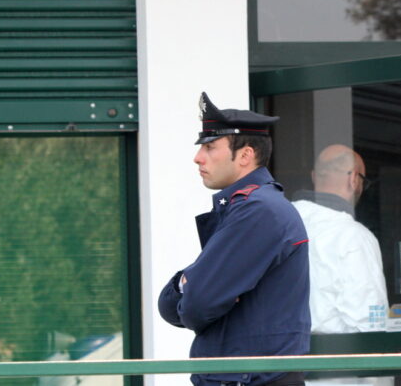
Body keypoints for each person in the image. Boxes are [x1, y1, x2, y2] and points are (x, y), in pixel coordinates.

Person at [158, 93, 311, 386]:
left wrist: (193, 288)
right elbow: (171, 306)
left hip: (251, 380)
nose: (198, 157)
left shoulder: (258, 210)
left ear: (245, 155)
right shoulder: (248, 207)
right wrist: (186, 286)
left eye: (210, 146)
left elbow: (196, 306)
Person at [292, 144, 388, 333]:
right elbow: (368, 323)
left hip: (278, 356)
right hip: (335, 357)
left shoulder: (278, 224)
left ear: (314, 176)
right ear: (353, 179)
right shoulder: (354, 237)